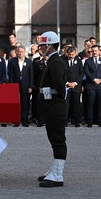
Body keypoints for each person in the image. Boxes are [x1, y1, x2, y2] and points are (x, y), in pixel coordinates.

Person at [36, 32, 68, 188]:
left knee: (57, 140)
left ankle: (58, 175)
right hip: (52, 107)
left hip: (55, 107)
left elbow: (60, 87)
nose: (40, 48)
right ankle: (54, 169)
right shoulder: (53, 61)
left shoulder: (56, 62)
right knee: (54, 139)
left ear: (50, 46)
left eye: (43, 45)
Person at [83, 44, 101, 127]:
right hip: (91, 85)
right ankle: (90, 121)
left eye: (96, 51)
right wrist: (94, 79)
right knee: (90, 104)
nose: (94, 52)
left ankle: (100, 121)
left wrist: (100, 79)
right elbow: (86, 71)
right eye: (93, 51)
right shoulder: (88, 61)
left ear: (99, 51)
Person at [8, 45, 34, 126]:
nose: (20, 53)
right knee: (17, 104)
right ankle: (17, 120)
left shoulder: (29, 61)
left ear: (24, 52)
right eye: (19, 52)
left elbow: (31, 75)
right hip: (16, 85)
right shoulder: (12, 61)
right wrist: (12, 86)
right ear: (16, 52)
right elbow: (11, 74)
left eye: (22, 52)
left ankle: (24, 120)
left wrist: (30, 86)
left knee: (25, 103)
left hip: (26, 86)